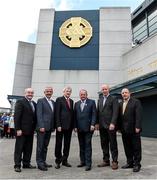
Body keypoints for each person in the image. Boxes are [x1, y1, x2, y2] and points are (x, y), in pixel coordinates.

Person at [95, 84, 119, 170]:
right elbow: (98, 112)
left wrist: (113, 123)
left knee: (113, 144)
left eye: (106, 89)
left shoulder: (113, 99)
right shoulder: (100, 99)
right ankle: (106, 160)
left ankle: (115, 161)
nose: (104, 90)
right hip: (102, 126)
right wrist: (97, 123)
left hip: (110, 126)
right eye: (103, 89)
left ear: (109, 90)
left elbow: (115, 112)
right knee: (104, 143)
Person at [119, 88, 142, 172]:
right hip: (124, 130)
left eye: (126, 92)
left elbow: (138, 115)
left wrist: (138, 126)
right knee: (127, 147)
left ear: (129, 93)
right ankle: (130, 163)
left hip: (134, 129)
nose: (124, 94)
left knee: (136, 147)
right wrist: (118, 128)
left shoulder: (136, 102)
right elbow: (120, 117)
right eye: (123, 93)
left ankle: (137, 164)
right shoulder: (120, 103)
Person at [14, 88, 37, 172]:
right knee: (19, 148)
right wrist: (18, 129)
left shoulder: (34, 103)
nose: (30, 94)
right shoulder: (20, 102)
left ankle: (26, 163)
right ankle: (17, 165)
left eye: (32, 92)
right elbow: (16, 117)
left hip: (30, 131)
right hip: (21, 131)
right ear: (25, 93)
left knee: (28, 148)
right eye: (28, 92)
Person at [74, 89, 96, 171]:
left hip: (88, 128)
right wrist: (75, 126)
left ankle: (88, 164)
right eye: (81, 94)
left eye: (84, 94)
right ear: (79, 95)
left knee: (87, 145)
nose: (82, 96)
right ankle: (82, 161)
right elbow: (75, 117)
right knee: (81, 145)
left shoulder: (91, 102)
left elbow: (94, 114)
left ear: (86, 95)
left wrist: (93, 124)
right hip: (79, 128)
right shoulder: (76, 104)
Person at [36, 87, 55, 171]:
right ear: (44, 92)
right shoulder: (40, 101)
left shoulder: (53, 102)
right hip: (42, 128)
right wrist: (41, 126)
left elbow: (52, 116)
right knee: (40, 146)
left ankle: (43, 161)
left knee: (45, 146)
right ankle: (39, 163)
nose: (49, 93)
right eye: (47, 91)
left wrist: (53, 126)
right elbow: (39, 114)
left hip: (49, 128)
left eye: (50, 91)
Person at [55, 86, 74, 169]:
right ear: (64, 92)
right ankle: (58, 161)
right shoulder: (59, 99)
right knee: (58, 143)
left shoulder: (72, 101)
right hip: (61, 126)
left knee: (67, 144)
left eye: (70, 91)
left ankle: (65, 160)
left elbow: (71, 114)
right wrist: (58, 125)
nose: (68, 92)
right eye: (67, 91)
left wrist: (73, 126)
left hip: (69, 127)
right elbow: (57, 113)